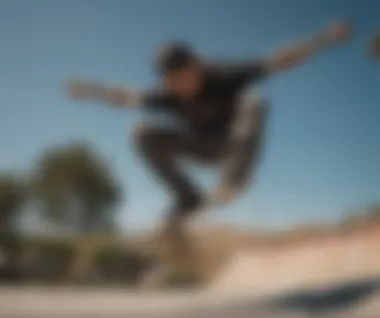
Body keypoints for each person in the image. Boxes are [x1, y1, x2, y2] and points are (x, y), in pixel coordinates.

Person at [67, 20, 350, 232]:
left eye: (183, 78)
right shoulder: (167, 95)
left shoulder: (223, 74)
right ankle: (188, 197)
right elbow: (128, 97)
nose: (180, 88)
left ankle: (234, 179)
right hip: (199, 147)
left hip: (233, 145)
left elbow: (275, 61)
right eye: (171, 82)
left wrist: (322, 39)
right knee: (141, 132)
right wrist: (92, 90)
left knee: (254, 100)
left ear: (196, 66)